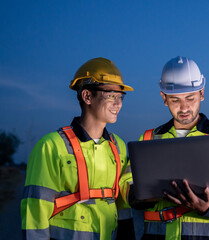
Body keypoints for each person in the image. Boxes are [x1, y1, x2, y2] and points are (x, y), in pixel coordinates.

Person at [121, 56, 209, 239]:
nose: (184, 107)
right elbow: (126, 189)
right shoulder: (148, 138)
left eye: (190, 98)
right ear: (164, 98)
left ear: (202, 93)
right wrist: (147, 195)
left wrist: (207, 206)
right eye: (175, 100)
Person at [21, 57, 135, 240]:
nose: (118, 103)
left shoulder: (118, 146)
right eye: (111, 95)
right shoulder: (51, 146)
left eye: (120, 96)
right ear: (87, 96)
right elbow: (36, 211)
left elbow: (121, 206)